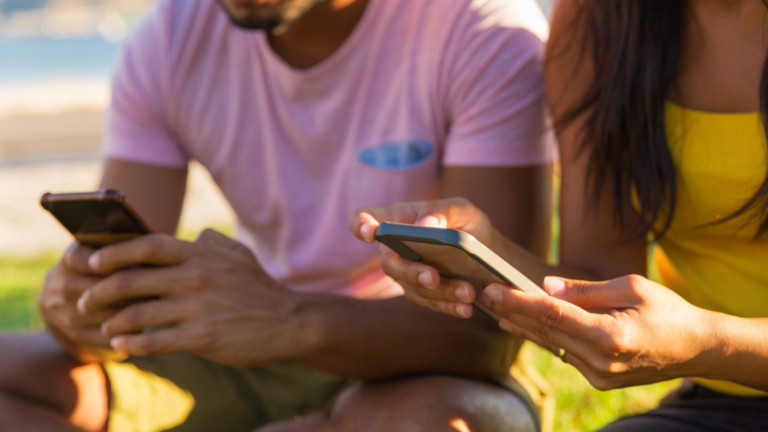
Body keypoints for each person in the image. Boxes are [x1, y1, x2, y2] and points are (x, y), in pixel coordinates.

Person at [0, 0, 556, 431]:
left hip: (409, 356)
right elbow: (122, 288)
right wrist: (77, 312)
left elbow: (489, 335)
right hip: (235, 349)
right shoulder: (170, 37)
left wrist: (288, 317)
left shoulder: (479, 28)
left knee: (437, 420)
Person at [351, 0, 768, 430]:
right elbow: (600, 282)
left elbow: (705, 342)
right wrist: (483, 258)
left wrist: (712, 343)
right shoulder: (603, 19)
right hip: (722, 400)